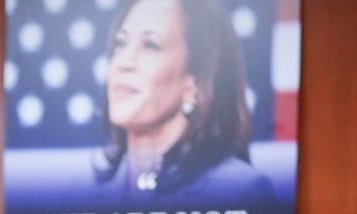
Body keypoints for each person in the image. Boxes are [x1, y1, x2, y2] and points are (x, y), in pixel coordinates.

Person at [94, 0, 272, 202]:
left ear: (194, 83)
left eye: (150, 45)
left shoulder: (241, 191)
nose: (124, 62)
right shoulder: (81, 194)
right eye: (120, 43)